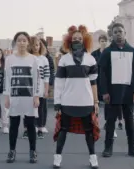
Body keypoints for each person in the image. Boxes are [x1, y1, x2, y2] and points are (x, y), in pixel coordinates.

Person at [53, 25, 100, 169]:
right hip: (68, 100)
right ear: (69, 40)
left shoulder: (91, 59)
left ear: (85, 40)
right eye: (74, 38)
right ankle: (57, 158)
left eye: (80, 38)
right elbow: (59, 83)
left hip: (86, 101)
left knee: (89, 131)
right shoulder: (64, 60)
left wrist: (96, 101)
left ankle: (93, 158)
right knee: (63, 130)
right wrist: (57, 103)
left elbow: (93, 82)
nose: (77, 40)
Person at [99, 23, 134, 158]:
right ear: (112, 34)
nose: (118, 34)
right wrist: (104, 92)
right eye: (115, 32)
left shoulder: (133, 51)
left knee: (129, 120)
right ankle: (108, 148)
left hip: (128, 91)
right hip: (112, 92)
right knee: (110, 121)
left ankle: (132, 148)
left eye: (120, 31)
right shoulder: (107, 52)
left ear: (125, 33)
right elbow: (102, 73)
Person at [4, 32, 40, 163]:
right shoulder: (9, 59)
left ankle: (33, 151)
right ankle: (12, 151)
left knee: (30, 125)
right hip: (14, 97)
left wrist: (36, 96)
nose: (22, 43)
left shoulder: (33, 59)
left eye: (24, 40)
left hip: (29, 97)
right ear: (16, 42)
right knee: (14, 125)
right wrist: (6, 96)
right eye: (19, 40)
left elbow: (37, 80)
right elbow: (6, 79)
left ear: (28, 43)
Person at [92, 34, 122, 136]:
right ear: (99, 42)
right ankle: (94, 124)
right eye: (101, 41)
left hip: (107, 82)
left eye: (105, 41)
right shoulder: (94, 54)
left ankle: (110, 126)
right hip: (95, 81)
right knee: (94, 104)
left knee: (108, 105)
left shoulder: (111, 53)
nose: (103, 42)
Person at [22, 36, 50, 139]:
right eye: (33, 45)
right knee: (27, 110)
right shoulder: (26, 58)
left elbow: (47, 76)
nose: (35, 47)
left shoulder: (44, 59)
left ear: (40, 46)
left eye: (37, 45)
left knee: (40, 109)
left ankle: (40, 129)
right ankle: (26, 129)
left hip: (41, 87)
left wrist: (46, 90)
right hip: (28, 88)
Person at [40, 38, 55, 133]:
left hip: (45, 84)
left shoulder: (48, 58)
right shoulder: (32, 56)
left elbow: (51, 71)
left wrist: (50, 84)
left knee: (43, 106)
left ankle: (42, 125)